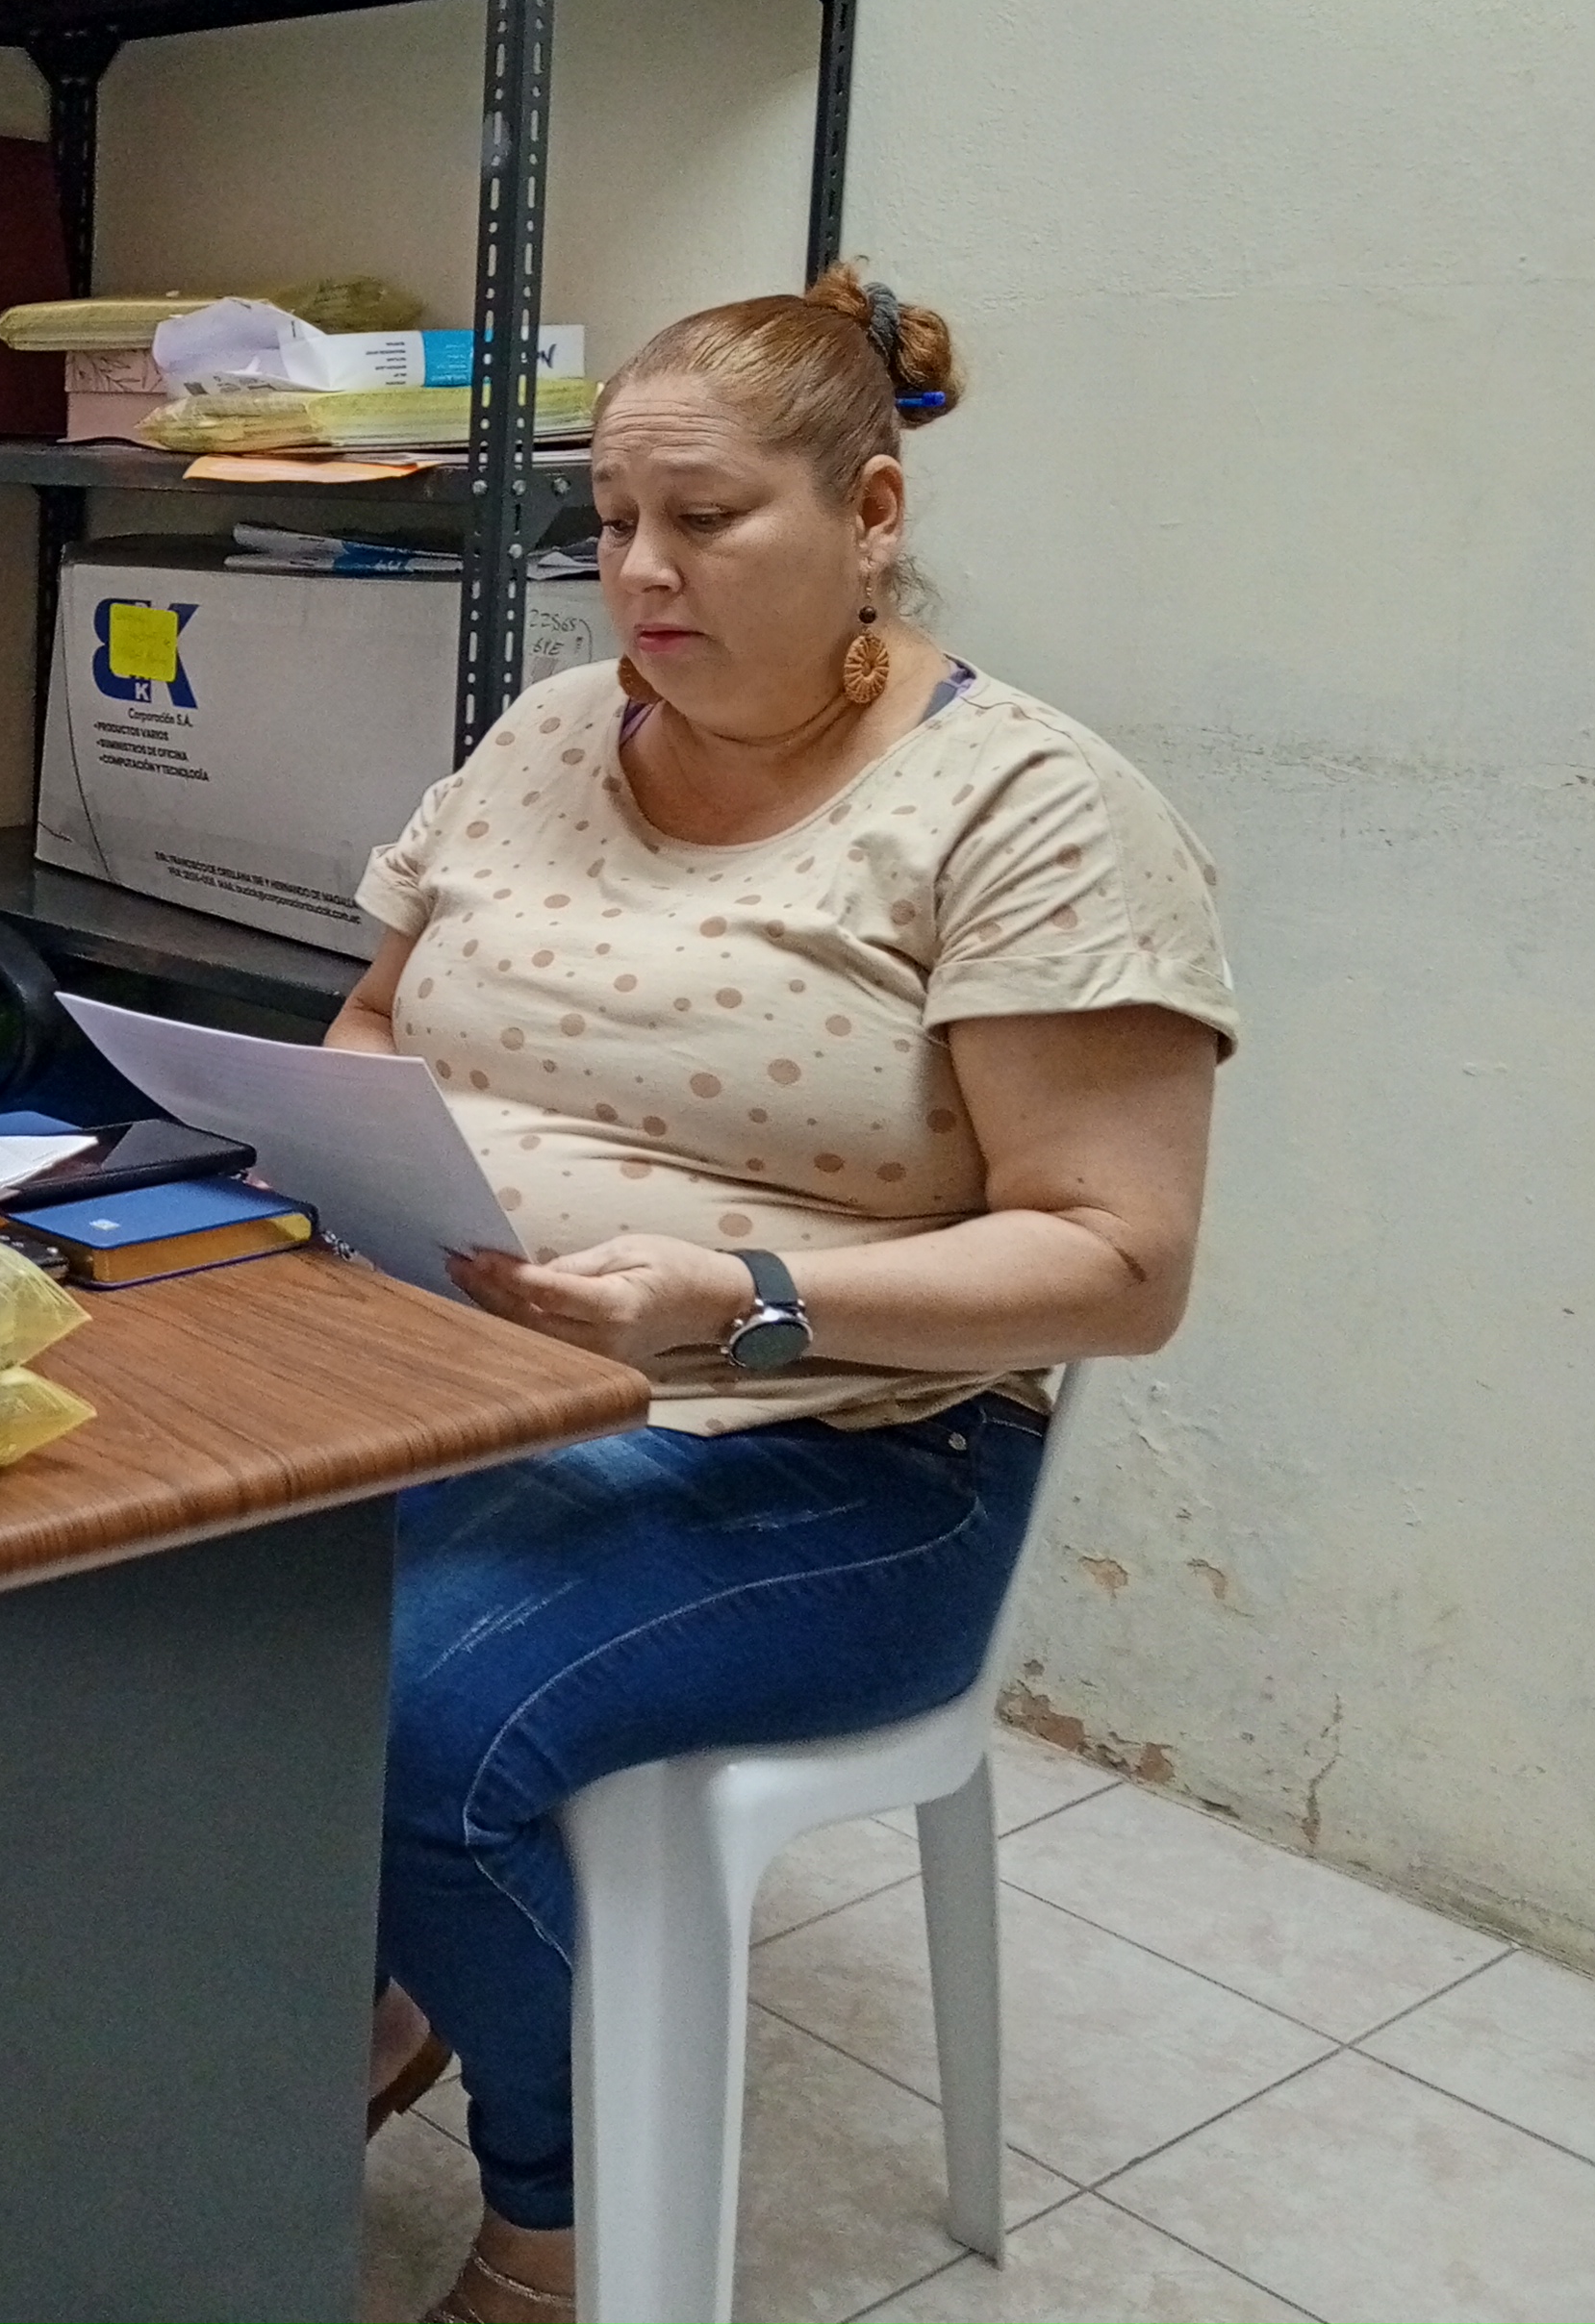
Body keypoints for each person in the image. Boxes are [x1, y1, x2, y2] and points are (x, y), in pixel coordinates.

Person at [325, 266, 1235, 2324]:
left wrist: (739, 1297)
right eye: (608, 521)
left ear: (871, 515)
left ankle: (564, 2218)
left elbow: (1119, 1262)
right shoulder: (550, 733)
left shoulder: (1028, 813)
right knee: (165, 1597)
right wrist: (349, 1134)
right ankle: (380, 1981)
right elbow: (377, 1013)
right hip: (469, 1376)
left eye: (706, 519)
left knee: (412, 1715)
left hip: (848, 1452)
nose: (638, 573)